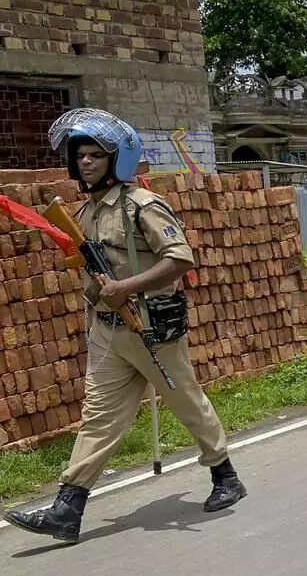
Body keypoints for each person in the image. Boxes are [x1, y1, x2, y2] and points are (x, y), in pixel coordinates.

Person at [3, 109, 247, 544]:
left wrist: (126, 287)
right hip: (109, 332)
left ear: (117, 159)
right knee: (98, 419)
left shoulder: (142, 205)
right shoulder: (84, 212)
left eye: (96, 155)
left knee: (186, 403)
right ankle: (68, 506)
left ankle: (224, 475)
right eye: (80, 156)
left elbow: (181, 259)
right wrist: (99, 301)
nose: (86, 163)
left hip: (151, 327)